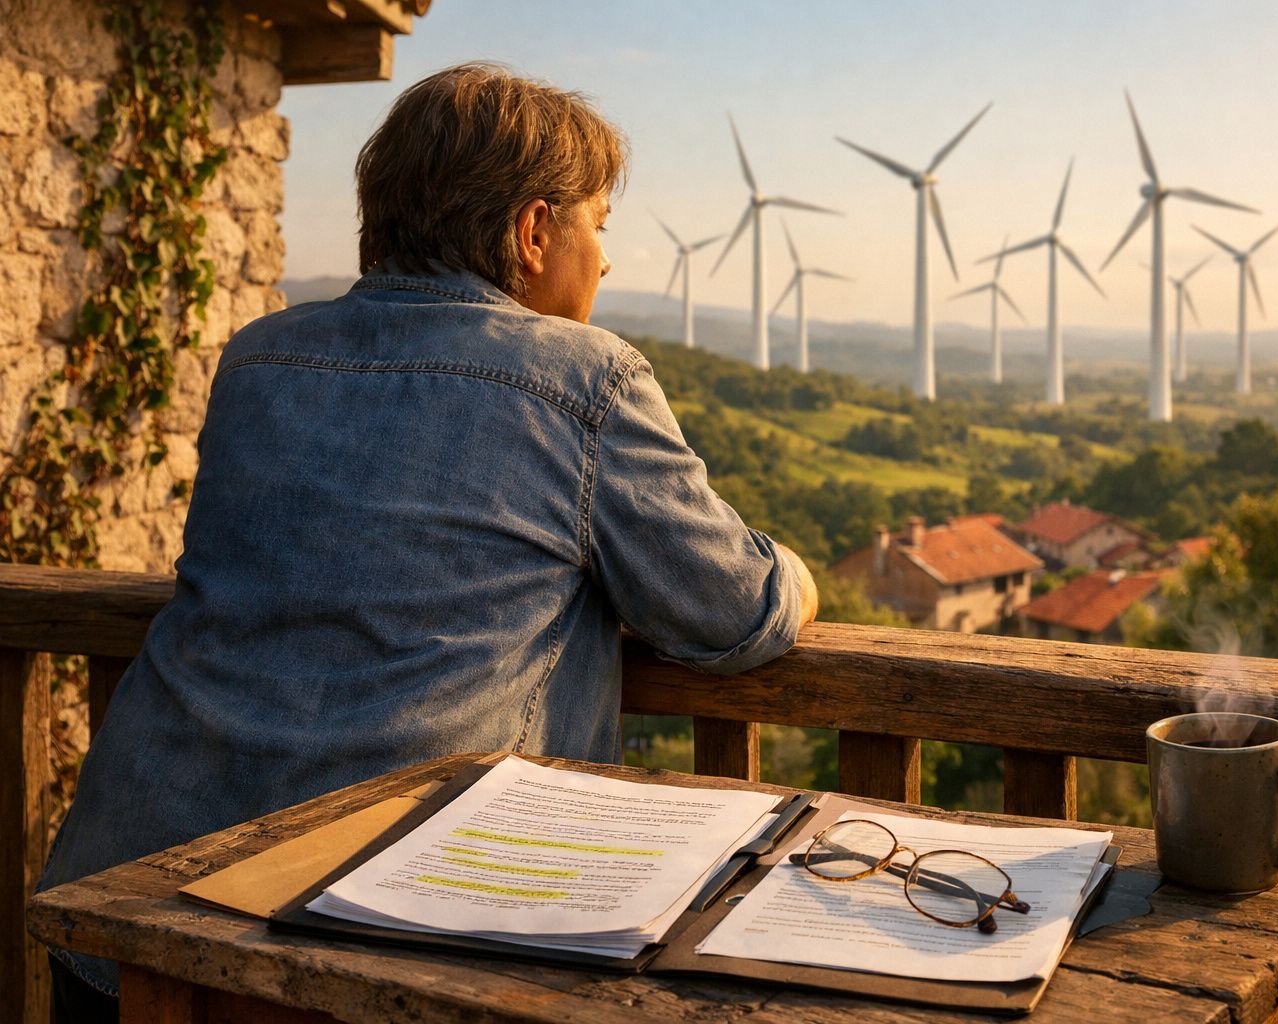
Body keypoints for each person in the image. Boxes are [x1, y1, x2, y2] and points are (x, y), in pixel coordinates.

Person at [40, 62, 817, 1018]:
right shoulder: (584, 379)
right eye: (600, 226)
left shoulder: (257, 358)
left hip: (133, 897)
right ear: (535, 232)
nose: (608, 263)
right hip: (372, 932)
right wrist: (795, 575)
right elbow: (730, 611)